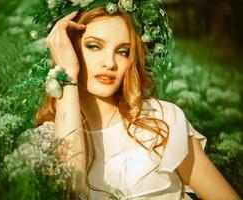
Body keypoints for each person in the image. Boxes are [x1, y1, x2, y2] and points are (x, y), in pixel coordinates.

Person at [35, 3, 241, 200]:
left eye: (122, 51)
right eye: (94, 46)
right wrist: (67, 73)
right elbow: (69, 185)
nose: (109, 63)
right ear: (70, 49)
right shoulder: (48, 136)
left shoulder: (161, 119)